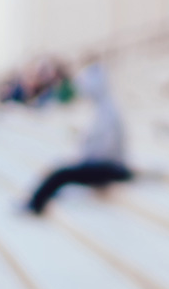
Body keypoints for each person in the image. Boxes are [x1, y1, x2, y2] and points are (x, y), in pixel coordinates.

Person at [23, 62, 132, 215]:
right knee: (61, 173)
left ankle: (34, 206)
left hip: (111, 167)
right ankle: (36, 202)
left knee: (61, 174)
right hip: (106, 164)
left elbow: (107, 149)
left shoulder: (108, 110)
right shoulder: (102, 108)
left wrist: (85, 159)